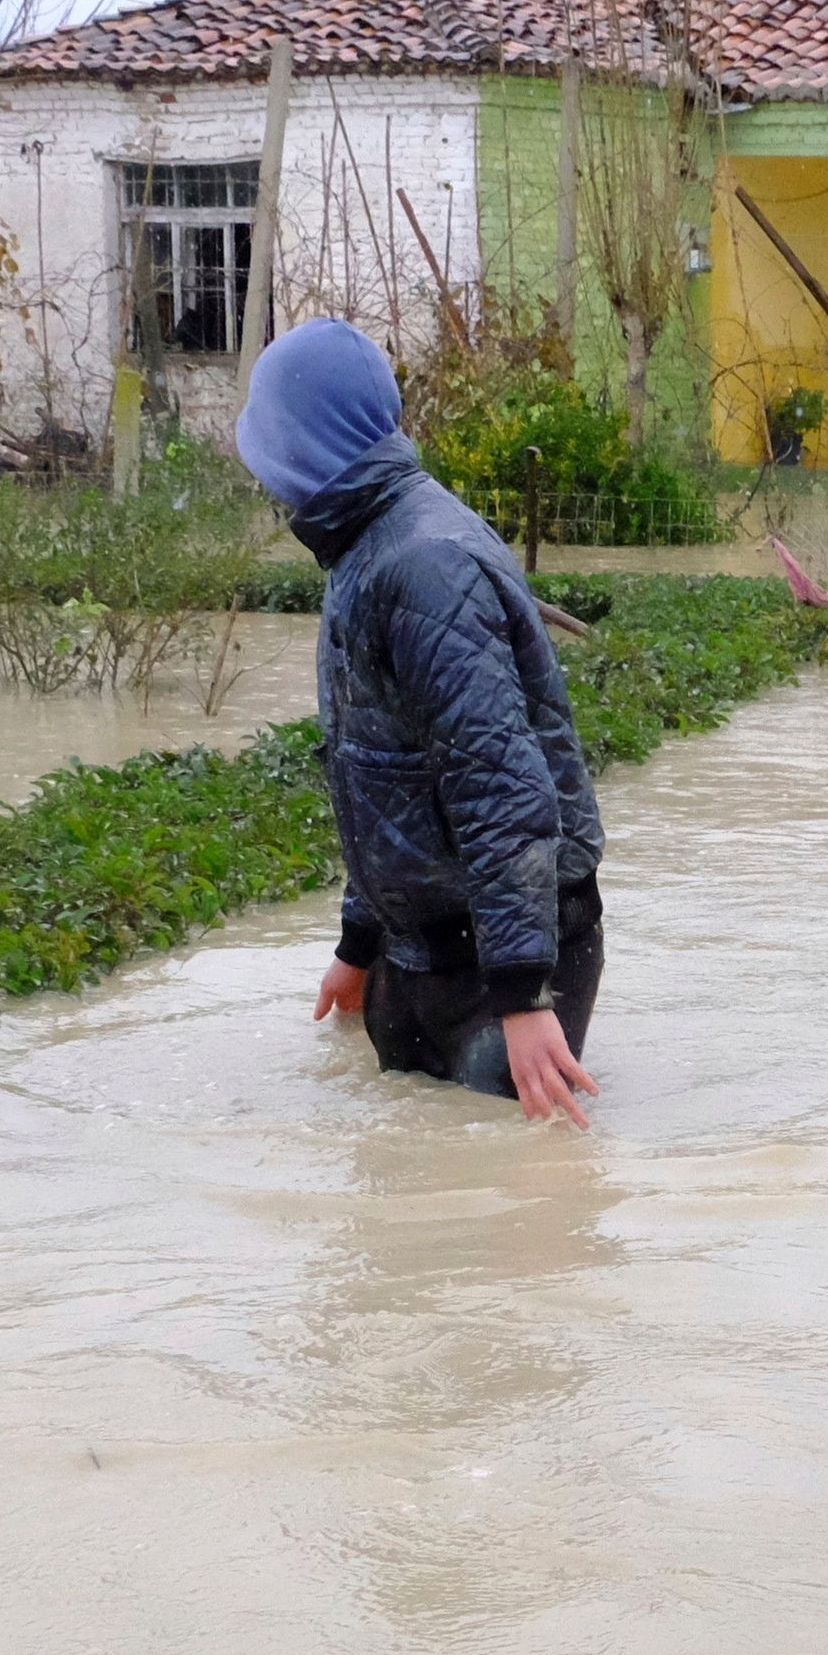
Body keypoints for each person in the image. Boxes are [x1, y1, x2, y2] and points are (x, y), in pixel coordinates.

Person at [238, 317, 604, 1124]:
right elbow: (385, 782)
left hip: (507, 947)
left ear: (306, 446)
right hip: (426, 942)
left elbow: (497, 781)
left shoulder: (423, 565)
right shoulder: (364, 548)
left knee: (506, 1184)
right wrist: (356, 945)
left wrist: (523, 996)